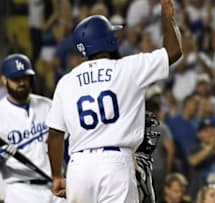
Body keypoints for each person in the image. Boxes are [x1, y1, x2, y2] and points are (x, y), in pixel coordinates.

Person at [46, 0, 182, 202]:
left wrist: (57, 175)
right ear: (108, 40)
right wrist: (167, 16)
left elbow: (55, 134)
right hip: (114, 165)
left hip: (79, 167)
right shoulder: (127, 69)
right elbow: (173, 51)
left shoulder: (67, 81)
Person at [0, 53, 66, 203]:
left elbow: (67, 143)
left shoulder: (47, 105)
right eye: (16, 79)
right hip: (21, 190)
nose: (22, 83)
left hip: (55, 186)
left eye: (25, 77)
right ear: (4, 80)